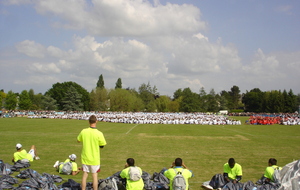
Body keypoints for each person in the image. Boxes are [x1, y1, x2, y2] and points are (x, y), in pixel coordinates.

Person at [77, 115, 107, 190]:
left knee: (85, 175)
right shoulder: (99, 133)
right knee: (94, 176)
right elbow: (102, 145)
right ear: (96, 121)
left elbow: (78, 140)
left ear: (89, 122)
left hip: (85, 157)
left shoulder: (84, 131)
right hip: (94, 158)